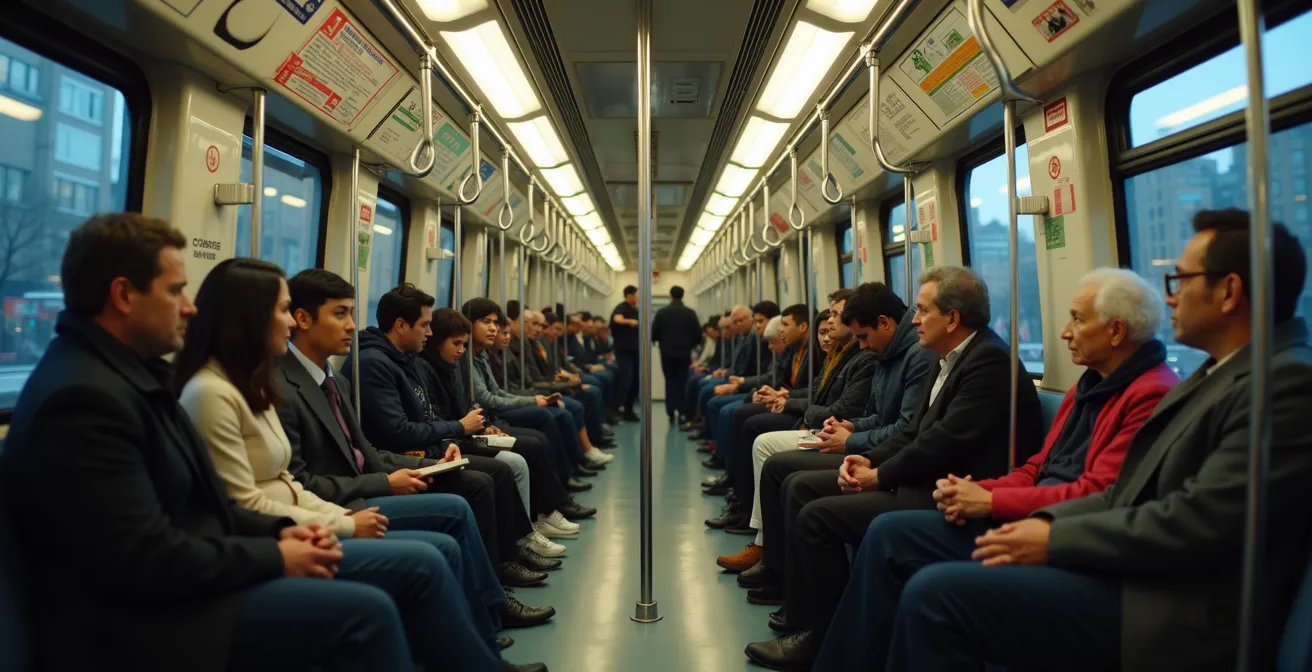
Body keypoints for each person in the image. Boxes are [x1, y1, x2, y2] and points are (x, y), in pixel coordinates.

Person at [0, 213, 498, 672]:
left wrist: (283, 530)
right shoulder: (85, 400)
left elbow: (210, 504)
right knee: (367, 612)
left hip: (198, 569)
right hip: (140, 622)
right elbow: (143, 559)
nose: (190, 307)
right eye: (176, 291)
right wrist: (277, 552)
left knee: (408, 570)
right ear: (124, 295)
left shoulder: (133, 377)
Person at [865, 212, 1312, 672]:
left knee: (936, 595)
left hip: (1169, 604)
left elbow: (1196, 522)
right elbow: (1126, 493)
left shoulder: (1283, 383)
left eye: (1180, 279)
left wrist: (1054, 534)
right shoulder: (1216, 373)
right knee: (907, 552)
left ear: (1230, 291)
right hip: (1134, 566)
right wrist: (1036, 517)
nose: (1171, 296)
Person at [811, 267, 1181, 671]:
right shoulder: (1087, 386)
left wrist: (991, 500)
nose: (1064, 333)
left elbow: (1098, 491)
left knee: (929, 588)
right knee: (887, 533)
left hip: (1060, 530)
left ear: (1115, 331)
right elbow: (1040, 465)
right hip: (1021, 506)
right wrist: (982, 491)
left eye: (1077, 319)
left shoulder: (1149, 394)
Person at [173, 257, 535, 668]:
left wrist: (418, 466)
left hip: (317, 507)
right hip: (297, 522)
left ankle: (481, 630)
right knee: (435, 546)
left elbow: (343, 458)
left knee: (463, 502)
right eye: (282, 311)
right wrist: (347, 518)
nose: (289, 323)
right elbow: (262, 494)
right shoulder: (236, 390)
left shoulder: (322, 379)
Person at [744, 266, 1045, 671]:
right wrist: (868, 458)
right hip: (926, 478)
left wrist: (879, 475)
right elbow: (918, 432)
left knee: (818, 517)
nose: (915, 318)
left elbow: (942, 443)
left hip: (954, 493)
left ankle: (821, 639)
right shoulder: (951, 359)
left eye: (922, 310)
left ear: (952, 318)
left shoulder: (987, 362)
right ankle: (813, 624)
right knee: (804, 490)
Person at [274, 269, 554, 593]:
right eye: (340, 314)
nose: (352, 324)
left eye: (351, 313)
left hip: (397, 463)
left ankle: (497, 581)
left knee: (494, 471)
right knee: (479, 483)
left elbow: (366, 447)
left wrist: (430, 463)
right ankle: (498, 581)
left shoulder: (350, 376)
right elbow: (393, 434)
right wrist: (447, 438)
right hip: (356, 491)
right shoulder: (363, 367)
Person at [720, 282, 933, 572]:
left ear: (883, 323)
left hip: (880, 455)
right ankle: (763, 542)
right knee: (758, 438)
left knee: (779, 463)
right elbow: (871, 414)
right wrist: (847, 427)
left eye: (836, 316)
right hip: (858, 437)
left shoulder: (896, 356)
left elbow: (901, 427)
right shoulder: (877, 351)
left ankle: (770, 555)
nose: (831, 324)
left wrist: (850, 438)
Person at [416, 307, 595, 541]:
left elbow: (483, 397)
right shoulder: (453, 363)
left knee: (546, 427)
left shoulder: (470, 358)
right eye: (486, 321)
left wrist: (483, 423)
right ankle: (533, 524)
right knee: (534, 438)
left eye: (496, 324)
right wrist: (480, 422)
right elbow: (484, 400)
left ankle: (552, 502)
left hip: (473, 426)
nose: (496, 329)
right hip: (461, 433)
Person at [651, 285, 703, 423]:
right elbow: (698, 334)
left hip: (666, 352)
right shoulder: (690, 313)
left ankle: (670, 411)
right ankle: (681, 411)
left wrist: (660, 341)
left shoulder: (661, 313)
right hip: (684, 352)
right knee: (681, 381)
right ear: (683, 295)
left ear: (670, 295)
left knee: (670, 381)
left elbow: (653, 333)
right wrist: (690, 343)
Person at [611, 285, 641, 420]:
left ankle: (629, 410)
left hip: (635, 351)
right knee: (626, 380)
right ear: (629, 295)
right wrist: (630, 321)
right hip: (624, 352)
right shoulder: (622, 307)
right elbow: (617, 319)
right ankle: (618, 409)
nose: (637, 298)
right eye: (635, 295)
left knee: (635, 381)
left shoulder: (635, 309)